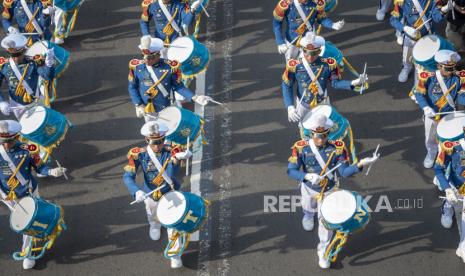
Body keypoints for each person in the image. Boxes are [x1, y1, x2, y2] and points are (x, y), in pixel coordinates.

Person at [287, 113, 379, 269]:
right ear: (311, 134)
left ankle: (323, 249)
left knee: (326, 222)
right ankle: (308, 215)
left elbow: (344, 172)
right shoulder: (300, 147)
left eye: (324, 136)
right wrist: (307, 176)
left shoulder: (337, 148)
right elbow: (291, 171)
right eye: (317, 136)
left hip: (329, 190)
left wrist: (361, 164)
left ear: (328, 133)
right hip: (309, 187)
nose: (321, 140)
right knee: (308, 207)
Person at [122, 120, 192, 268]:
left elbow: (172, 174)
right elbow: (128, 176)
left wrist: (178, 159)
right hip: (150, 193)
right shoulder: (138, 154)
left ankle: (175, 254)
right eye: (153, 142)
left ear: (164, 139)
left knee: (173, 223)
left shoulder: (172, 150)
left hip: (170, 192)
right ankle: (154, 225)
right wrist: (136, 191)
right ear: (147, 140)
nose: (157, 145)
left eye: (160, 141)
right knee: (152, 214)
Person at [0, 120, 67, 269]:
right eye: (2, 141)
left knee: (31, 220)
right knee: (25, 224)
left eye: (9, 141)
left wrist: (51, 171)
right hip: (8, 196)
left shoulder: (29, 149)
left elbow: (39, 168)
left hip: (29, 190)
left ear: (16, 137)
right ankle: (29, 250)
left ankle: (30, 248)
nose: (5, 145)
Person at [282, 33, 368, 124]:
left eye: (313, 53)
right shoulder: (295, 66)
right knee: (304, 128)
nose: (310, 57)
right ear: (302, 50)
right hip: (303, 104)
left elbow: (335, 83)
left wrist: (354, 82)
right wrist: (290, 107)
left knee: (323, 126)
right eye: (306, 53)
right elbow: (287, 85)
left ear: (319, 51)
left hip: (322, 103)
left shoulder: (329, 65)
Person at [128, 35, 211, 122]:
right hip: (148, 109)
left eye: (151, 58)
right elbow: (132, 87)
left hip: (167, 107)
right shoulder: (137, 67)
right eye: (144, 57)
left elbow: (178, 87)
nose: (147, 61)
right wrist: (138, 104)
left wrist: (195, 97)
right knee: (153, 133)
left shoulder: (170, 67)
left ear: (158, 55)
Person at [414, 50, 465, 168]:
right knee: (430, 136)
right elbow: (419, 94)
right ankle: (431, 152)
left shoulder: (459, 77)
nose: (451, 71)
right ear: (439, 66)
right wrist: (426, 107)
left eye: (453, 68)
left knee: (449, 138)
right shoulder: (427, 76)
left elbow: (462, 96)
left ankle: (443, 159)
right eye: (448, 69)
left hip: (450, 114)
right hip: (432, 113)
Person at [0, 33, 54, 118]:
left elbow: (47, 77)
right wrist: (1, 102)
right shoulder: (3, 65)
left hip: (36, 100)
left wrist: (49, 64)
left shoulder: (35, 62)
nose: (16, 58)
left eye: (18, 55)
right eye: (13, 56)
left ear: (24, 51)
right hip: (17, 104)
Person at [390, 0, 445, 83]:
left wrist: (444, 10)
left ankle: (418, 85)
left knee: (421, 64)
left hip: (427, 37)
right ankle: (406, 68)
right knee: (407, 57)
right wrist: (404, 28)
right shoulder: (401, 1)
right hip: (410, 36)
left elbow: (437, 18)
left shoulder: (432, 1)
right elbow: (393, 20)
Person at [273, 0, 345, 60]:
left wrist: (332, 24)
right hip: (293, 38)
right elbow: (277, 24)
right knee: (291, 62)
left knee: (311, 59)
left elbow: (321, 18)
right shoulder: (285, 4)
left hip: (309, 37)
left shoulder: (317, 2)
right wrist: (280, 42)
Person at [434, 139, 465, 263]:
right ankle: (446, 210)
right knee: (450, 201)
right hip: (456, 185)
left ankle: (462, 248)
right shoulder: (450, 145)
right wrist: (447, 189)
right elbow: (438, 169)